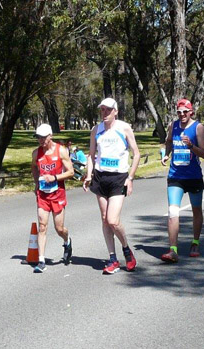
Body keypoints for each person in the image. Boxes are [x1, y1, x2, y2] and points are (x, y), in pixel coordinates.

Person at [83, 97, 140, 274]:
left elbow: (136, 154)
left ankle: (126, 248)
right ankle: (112, 258)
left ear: (115, 111)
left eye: (108, 110)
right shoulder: (96, 130)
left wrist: (130, 178)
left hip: (118, 178)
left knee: (113, 220)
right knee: (104, 219)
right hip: (100, 177)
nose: (105, 113)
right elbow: (91, 155)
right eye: (102, 110)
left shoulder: (124, 128)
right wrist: (88, 175)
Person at [160, 98, 204, 263]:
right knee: (173, 211)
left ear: (191, 112)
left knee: (196, 210)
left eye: (185, 112)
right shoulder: (173, 126)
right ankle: (173, 249)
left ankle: (195, 242)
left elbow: (203, 153)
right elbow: (168, 142)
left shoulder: (198, 127)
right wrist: (166, 154)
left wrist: (191, 146)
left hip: (193, 176)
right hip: (175, 176)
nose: (182, 115)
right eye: (179, 112)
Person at [31, 124, 74, 273]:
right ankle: (41, 260)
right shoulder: (36, 153)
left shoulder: (61, 151)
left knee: (59, 228)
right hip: (43, 194)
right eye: (38, 137)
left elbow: (71, 172)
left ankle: (67, 241)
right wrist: (37, 182)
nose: (41, 140)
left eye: (43, 137)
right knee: (42, 226)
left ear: (50, 136)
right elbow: (34, 168)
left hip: (57, 194)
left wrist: (54, 177)